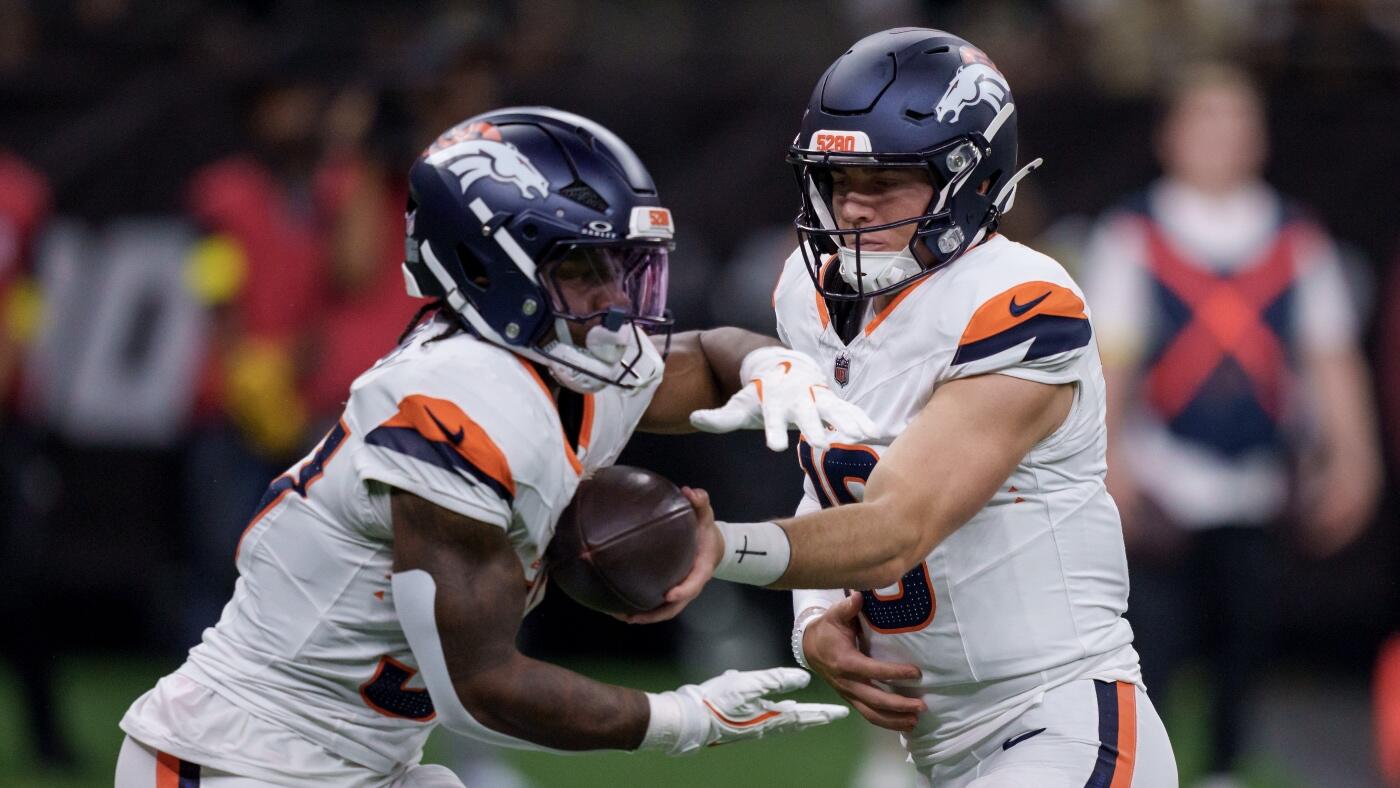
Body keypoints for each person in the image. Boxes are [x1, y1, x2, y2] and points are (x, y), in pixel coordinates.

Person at [115, 108, 860, 787]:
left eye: (619, 265)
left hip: (363, 762)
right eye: (580, 267)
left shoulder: (565, 355)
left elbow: (704, 356)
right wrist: (683, 718)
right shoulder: (451, 403)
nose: (612, 298)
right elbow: (481, 689)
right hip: (240, 760)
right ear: (485, 267)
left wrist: (771, 365)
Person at [640, 28, 1179, 786]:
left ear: (971, 179)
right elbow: (831, 477)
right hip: (937, 747)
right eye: (839, 180)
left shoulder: (1021, 301)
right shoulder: (811, 292)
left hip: (1057, 722)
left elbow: (896, 526)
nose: (854, 207)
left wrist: (719, 547)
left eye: (886, 180)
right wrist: (812, 620)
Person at [1080, 64, 1380, 783]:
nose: (1221, 138)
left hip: (1256, 480)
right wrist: (1110, 459)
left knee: (1245, 641)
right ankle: (1141, 769)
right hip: (1161, 480)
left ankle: (1225, 768)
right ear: (1170, 136)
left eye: (1237, 122)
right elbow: (1110, 362)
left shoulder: (1296, 238)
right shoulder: (1132, 234)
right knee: (1149, 642)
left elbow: (1331, 358)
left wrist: (1356, 460)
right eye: (1205, 120)